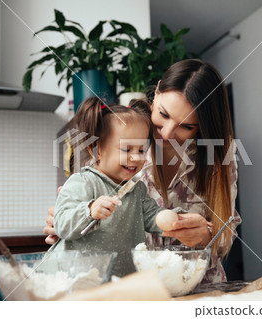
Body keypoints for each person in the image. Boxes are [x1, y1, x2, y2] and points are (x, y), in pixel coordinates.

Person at [45, 59, 242, 283]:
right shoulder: (124, 130)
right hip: (138, 287)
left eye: (187, 126)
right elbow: (90, 188)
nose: (167, 133)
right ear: (156, 92)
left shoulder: (218, 152)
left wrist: (206, 235)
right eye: (164, 115)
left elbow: (228, 227)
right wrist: (72, 214)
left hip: (199, 286)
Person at [46, 97, 185, 277]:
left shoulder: (137, 189)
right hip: (75, 277)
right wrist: (90, 210)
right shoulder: (82, 182)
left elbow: (152, 216)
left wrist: (176, 219)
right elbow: (62, 224)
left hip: (117, 279)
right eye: (127, 150)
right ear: (96, 149)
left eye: (142, 150)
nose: (136, 158)